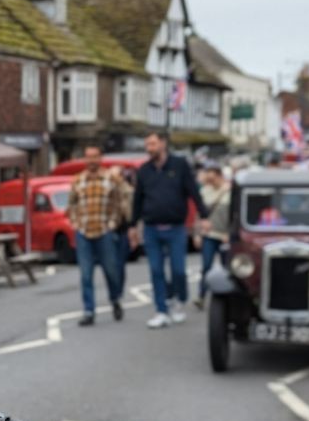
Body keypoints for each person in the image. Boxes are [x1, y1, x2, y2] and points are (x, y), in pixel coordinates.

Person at [132, 132, 208, 329]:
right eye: (147, 144)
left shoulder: (179, 165)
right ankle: (161, 310)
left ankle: (179, 301)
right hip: (151, 229)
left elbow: (193, 191)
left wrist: (204, 216)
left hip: (175, 228)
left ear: (163, 144)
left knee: (178, 270)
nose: (149, 148)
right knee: (156, 270)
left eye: (153, 143)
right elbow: (137, 200)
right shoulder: (144, 171)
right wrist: (133, 225)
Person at [67, 147, 123, 326]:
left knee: (111, 271)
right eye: (88, 157)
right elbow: (72, 205)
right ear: (85, 159)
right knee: (86, 274)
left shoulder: (110, 179)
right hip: (83, 232)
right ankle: (89, 311)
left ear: (100, 159)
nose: (91, 161)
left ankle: (115, 300)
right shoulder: (77, 181)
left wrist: (113, 222)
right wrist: (75, 222)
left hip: (103, 231)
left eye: (95, 157)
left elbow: (118, 203)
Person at [196, 164, 231, 308]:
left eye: (209, 173)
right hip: (209, 234)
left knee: (226, 268)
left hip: (225, 236)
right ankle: (201, 296)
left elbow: (235, 215)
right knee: (206, 266)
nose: (206, 177)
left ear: (218, 174)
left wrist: (230, 233)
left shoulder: (230, 190)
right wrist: (197, 234)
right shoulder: (204, 191)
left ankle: (227, 297)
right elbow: (199, 215)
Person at [108, 166, 135, 298]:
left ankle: (118, 291)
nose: (113, 179)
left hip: (124, 230)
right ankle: (114, 290)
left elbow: (131, 213)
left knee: (120, 263)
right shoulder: (107, 191)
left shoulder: (128, 192)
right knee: (110, 264)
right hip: (109, 230)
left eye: (115, 176)